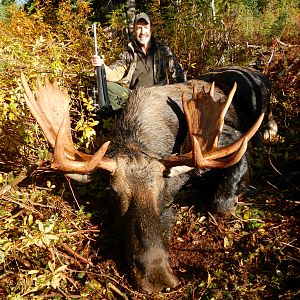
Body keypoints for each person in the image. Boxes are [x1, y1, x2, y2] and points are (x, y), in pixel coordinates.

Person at [92, 12, 185, 110]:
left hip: (159, 97)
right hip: (135, 98)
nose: (142, 32)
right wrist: (101, 65)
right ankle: (122, 116)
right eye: (139, 28)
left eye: (145, 27)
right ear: (134, 30)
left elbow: (178, 76)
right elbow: (114, 73)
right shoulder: (128, 54)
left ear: (151, 29)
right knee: (106, 86)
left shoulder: (163, 51)